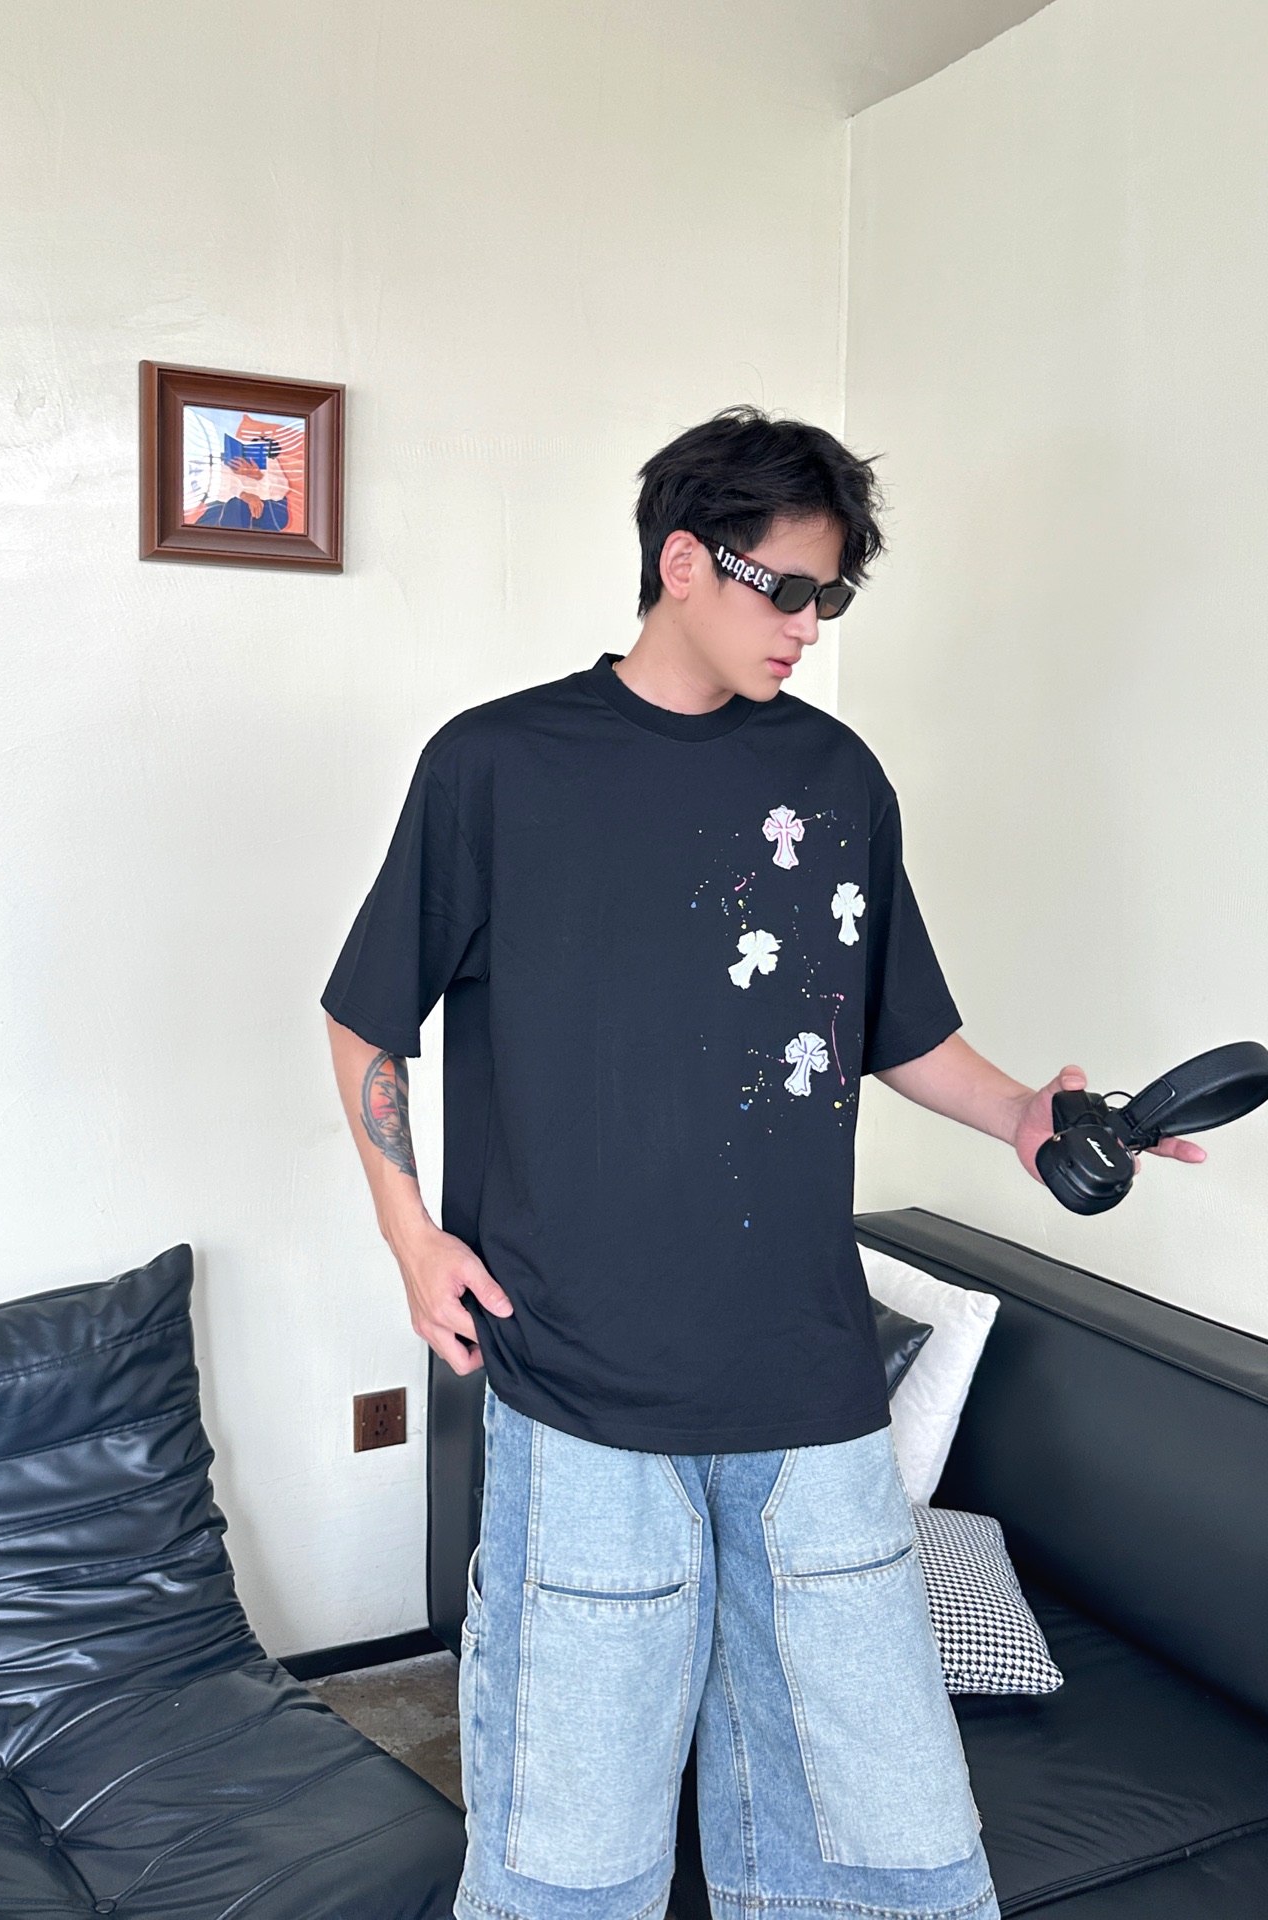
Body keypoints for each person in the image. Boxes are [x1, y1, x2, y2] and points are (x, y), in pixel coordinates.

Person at [321, 408, 1204, 1920]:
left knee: (877, 1841)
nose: (809, 626)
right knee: (569, 1847)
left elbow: (897, 1029)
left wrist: (1021, 1114)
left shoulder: (838, 778)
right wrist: (411, 1234)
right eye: (785, 589)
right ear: (683, 562)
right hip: (578, 1374)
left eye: (832, 596)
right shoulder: (497, 765)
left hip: (807, 1381)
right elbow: (367, 1017)